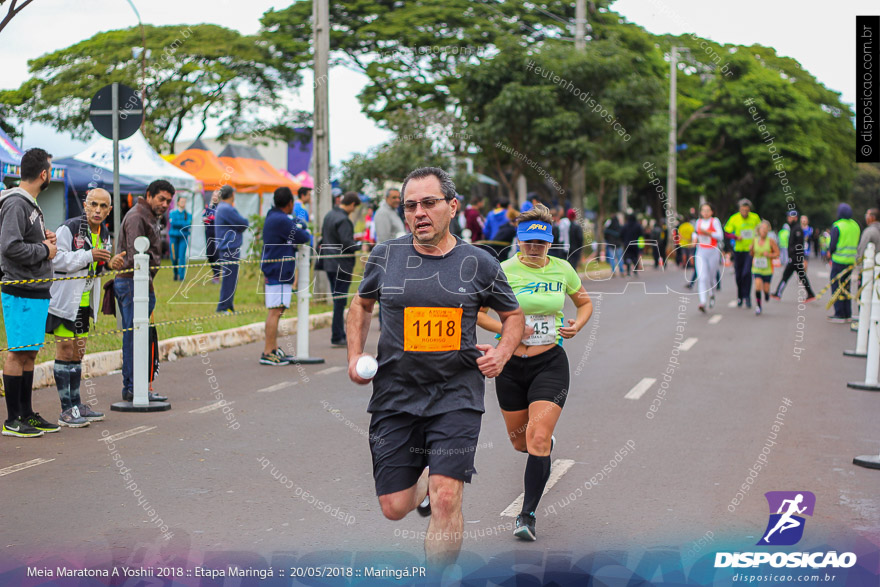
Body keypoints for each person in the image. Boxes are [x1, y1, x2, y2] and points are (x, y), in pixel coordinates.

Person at [346, 166, 523, 569]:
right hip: (395, 396)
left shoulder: (478, 263)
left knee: (447, 496)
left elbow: (514, 317)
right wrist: (354, 356)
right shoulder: (385, 255)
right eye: (410, 206)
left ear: (452, 206)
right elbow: (360, 305)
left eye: (429, 203)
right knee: (393, 507)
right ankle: (422, 482)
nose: (418, 213)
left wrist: (502, 352)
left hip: (456, 395)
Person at [477, 204, 592, 541]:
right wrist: (510, 327)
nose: (533, 248)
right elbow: (479, 313)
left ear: (550, 242)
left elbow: (584, 303)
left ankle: (526, 516)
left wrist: (577, 326)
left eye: (540, 243)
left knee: (537, 438)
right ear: (519, 240)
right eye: (528, 242)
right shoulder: (504, 270)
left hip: (549, 363)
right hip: (510, 364)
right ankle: (539, 446)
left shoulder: (563, 270)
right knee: (519, 442)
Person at [47, 188, 126, 427]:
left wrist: (109, 263)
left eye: (103, 206)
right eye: (94, 205)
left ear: (109, 210)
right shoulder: (68, 229)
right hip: (63, 302)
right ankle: (65, 410)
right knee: (65, 351)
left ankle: (76, 404)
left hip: (85, 304)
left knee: (78, 353)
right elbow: (56, 260)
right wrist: (88, 255)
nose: (98, 210)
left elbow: (97, 265)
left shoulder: (104, 233)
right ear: (85, 205)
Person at [0, 148, 59, 437]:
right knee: (18, 352)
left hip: (35, 289)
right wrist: (44, 249)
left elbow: (25, 240)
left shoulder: (30, 204)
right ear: (44, 174)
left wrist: (43, 238)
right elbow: (9, 246)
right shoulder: (16, 203)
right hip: (19, 288)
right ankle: (12, 419)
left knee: (30, 353)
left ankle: (26, 413)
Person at [115, 180, 173, 403]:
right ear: (149, 195)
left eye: (168, 200)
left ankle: (138, 387)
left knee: (140, 336)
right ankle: (132, 388)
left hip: (140, 283)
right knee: (134, 337)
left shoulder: (147, 215)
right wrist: (143, 281)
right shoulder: (137, 216)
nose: (165, 204)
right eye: (161, 199)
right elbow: (134, 256)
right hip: (132, 283)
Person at [259, 187, 311, 365]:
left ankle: (273, 348)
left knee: (278, 309)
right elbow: (303, 236)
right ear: (290, 203)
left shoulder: (274, 216)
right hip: (278, 270)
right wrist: (300, 224)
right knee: (275, 310)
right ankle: (268, 351)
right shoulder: (281, 220)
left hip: (276, 268)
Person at [322, 192, 361, 347]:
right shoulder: (344, 220)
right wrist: (359, 245)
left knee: (337, 299)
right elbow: (347, 243)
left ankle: (338, 333)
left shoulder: (330, 215)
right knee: (340, 301)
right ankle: (337, 335)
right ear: (352, 204)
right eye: (354, 207)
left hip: (329, 263)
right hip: (342, 264)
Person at [214, 185, 250, 313]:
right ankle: (223, 307)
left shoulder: (222, 208)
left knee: (231, 278)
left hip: (227, 247)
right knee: (230, 279)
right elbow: (243, 223)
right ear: (232, 195)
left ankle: (228, 305)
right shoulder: (227, 209)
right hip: (229, 247)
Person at [724, 198, 761, 308]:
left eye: (746, 210)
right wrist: (735, 237)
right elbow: (727, 232)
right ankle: (740, 295)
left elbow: (760, 231)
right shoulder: (734, 218)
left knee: (747, 273)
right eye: (742, 210)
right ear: (739, 209)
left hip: (749, 250)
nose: (744, 212)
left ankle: (747, 296)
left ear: (749, 210)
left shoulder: (755, 218)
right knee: (739, 275)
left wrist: (756, 243)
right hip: (738, 250)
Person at [772, 211, 816, 302]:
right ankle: (810, 293)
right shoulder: (793, 228)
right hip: (795, 258)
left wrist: (794, 255)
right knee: (800, 277)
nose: (789, 218)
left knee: (787, 276)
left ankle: (778, 293)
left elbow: (799, 245)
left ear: (795, 218)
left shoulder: (797, 229)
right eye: (788, 216)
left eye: (791, 217)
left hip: (795, 258)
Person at [827, 203, 860, 322]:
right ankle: (847, 313)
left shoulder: (838, 226)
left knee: (837, 287)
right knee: (847, 286)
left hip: (839, 260)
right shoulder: (855, 225)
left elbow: (833, 245)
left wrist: (829, 252)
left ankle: (839, 313)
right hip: (851, 261)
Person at [693, 203, 724, 313]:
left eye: (708, 210)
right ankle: (702, 302)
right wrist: (694, 239)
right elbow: (695, 234)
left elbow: (720, 236)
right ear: (701, 212)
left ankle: (712, 294)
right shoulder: (698, 222)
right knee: (702, 277)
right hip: (701, 251)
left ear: (712, 212)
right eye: (703, 210)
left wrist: (708, 233)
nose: (705, 212)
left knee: (711, 277)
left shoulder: (715, 221)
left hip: (713, 251)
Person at [750, 220, 779, 316]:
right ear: (759, 230)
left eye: (766, 229)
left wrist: (769, 255)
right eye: (762, 228)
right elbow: (752, 254)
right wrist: (751, 250)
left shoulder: (771, 241)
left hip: (767, 269)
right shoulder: (755, 240)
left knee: (766, 289)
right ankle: (758, 306)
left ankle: (766, 294)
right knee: (757, 285)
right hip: (757, 268)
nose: (764, 231)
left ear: (768, 230)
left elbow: (777, 254)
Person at [168, 195, 190, 281]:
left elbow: (188, 224)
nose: (183, 203)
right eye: (181, 201)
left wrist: (180, 223)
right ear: (178, 202)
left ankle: (181, 276)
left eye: (184, 202)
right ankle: (175, 272)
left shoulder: (188, 214)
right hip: (173, 238)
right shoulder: (172, 213)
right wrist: (183, 223)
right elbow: (173, 223)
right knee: (174, 257)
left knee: (182, 257)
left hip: (183, 238)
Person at [202, 189, 221, 283]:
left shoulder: (221, 208)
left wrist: (211, 219)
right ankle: (214, 271)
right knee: (209, 254)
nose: (215, 197)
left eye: (217, 195)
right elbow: (204, 218)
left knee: (217, 255)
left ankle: (217, 275)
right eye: (214, 195)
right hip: (209, 233)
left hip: (218, 234)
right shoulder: (208, 207)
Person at [603, 213, 624, 277]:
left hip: (611, 245)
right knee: (619, 258)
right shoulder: (619, 227)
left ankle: (613, 271)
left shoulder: (609, 227)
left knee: (612, 259)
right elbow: (622, 235)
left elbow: (605, 235)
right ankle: (621, 271)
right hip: (618, 245)